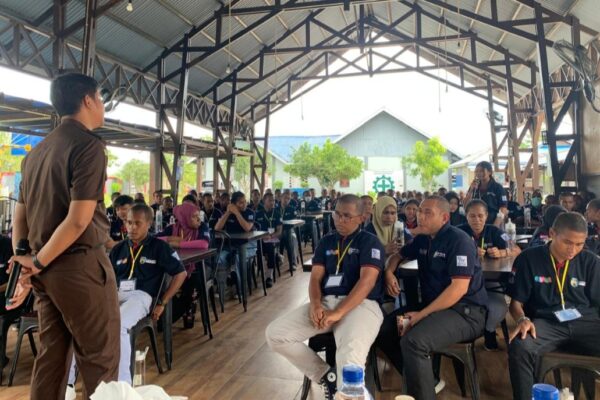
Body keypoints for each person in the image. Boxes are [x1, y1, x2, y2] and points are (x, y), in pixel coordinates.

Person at [8, 73, 120, 400]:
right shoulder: (88, 146)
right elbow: (78, 220)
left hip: (47, 273)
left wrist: (28, 261)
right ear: (87, 100)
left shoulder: (36, 153)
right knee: (100, 361)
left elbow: (20, 216)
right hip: (80, 267)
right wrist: (38, 262)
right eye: (100, 99)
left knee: (52, 358)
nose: (102, 106)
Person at [266, 194, 384, 399]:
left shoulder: (370, 242)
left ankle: (346, 393)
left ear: (361, 218)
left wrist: (339, 312)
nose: (340, 220)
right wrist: (315, 304)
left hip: (361, 305)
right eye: (337, 214)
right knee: (275, 334)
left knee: (350, 363)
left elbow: (367, 282)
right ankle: (325, 376)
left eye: (347, 216)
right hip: (327, 303)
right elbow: (315, 278)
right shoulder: (326, 241)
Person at [378, 196, 488, 400]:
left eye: (427, 212)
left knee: (413, 341)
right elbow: (398, 256)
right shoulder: (423, 238)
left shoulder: (459, 241)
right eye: (420, 211)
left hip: (465, 312)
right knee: (384, 330)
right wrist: (389, 272)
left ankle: (422, 389)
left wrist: (420, 315)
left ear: (444, 217)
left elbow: (458, 289)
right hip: (433, 308)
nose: (420, 216)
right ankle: (429, 380)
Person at [67, 204, 186, 387]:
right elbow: (106, 277)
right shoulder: (118, 249)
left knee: (119, 325)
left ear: (149, 224)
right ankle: (67, 383)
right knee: (81, 322)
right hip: (116, 293)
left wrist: (162, 302)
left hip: (142, 296)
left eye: (137, 223)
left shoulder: (160, 247)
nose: (132, 227)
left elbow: (181, 273)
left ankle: (123, 384)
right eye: (129, 223)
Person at [507, 212, 600, 400]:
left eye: (579, 244)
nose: (573, 250)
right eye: (567, 242)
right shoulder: (529, 259)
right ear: (552, 233)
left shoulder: (590, 261)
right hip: (547, 323)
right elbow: (516, 303)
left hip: (586, 322)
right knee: (520, 346)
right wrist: (523, 319)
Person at [458, 199, 520, 350]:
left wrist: (503, 252)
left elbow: (517, 249)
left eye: (480, 216)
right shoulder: (458, 232)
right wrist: (469, 251)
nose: (477, 220)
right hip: (465, 281)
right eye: (472, 216)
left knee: (499, 306)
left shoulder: (495, 231)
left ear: (486, 216)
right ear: (466, 216)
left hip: (490, 281)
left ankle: (489, 330)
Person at [157, 202, 209, 326]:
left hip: (197, 268)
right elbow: (154, 239)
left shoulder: (202, 227)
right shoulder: (173, 228)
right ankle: (166, 318)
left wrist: (178, 244)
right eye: (194, 216)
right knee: (161, 284)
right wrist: (169, 239)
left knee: (192, 285)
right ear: (184, 217)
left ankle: (173, 317)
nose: (198, 219)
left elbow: (204, 244)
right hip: (175, 269)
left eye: (198, 215)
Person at [464, 161, 507, 226]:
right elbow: (466, 206)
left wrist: (495, 225)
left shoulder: (498, 187)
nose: (479, 173)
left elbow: (503, 208)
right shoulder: (474, 186)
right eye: (476, 171)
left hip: (494, 222)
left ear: (490, 172)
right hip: (477, 222)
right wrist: (471, 190)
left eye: (481, 171)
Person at [255, 193, 283, 288]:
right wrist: (261, 237)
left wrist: (270, 236)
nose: (272, 202)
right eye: (270, 200)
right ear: (264, 201)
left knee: (270, 248)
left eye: (273, 200)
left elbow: (279, 231)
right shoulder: (258, 214)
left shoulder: (277, 213)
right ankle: (261, 269)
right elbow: (253, 229)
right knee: (257, 248)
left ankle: (269, 276)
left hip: (272, 238)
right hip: (260, 239)